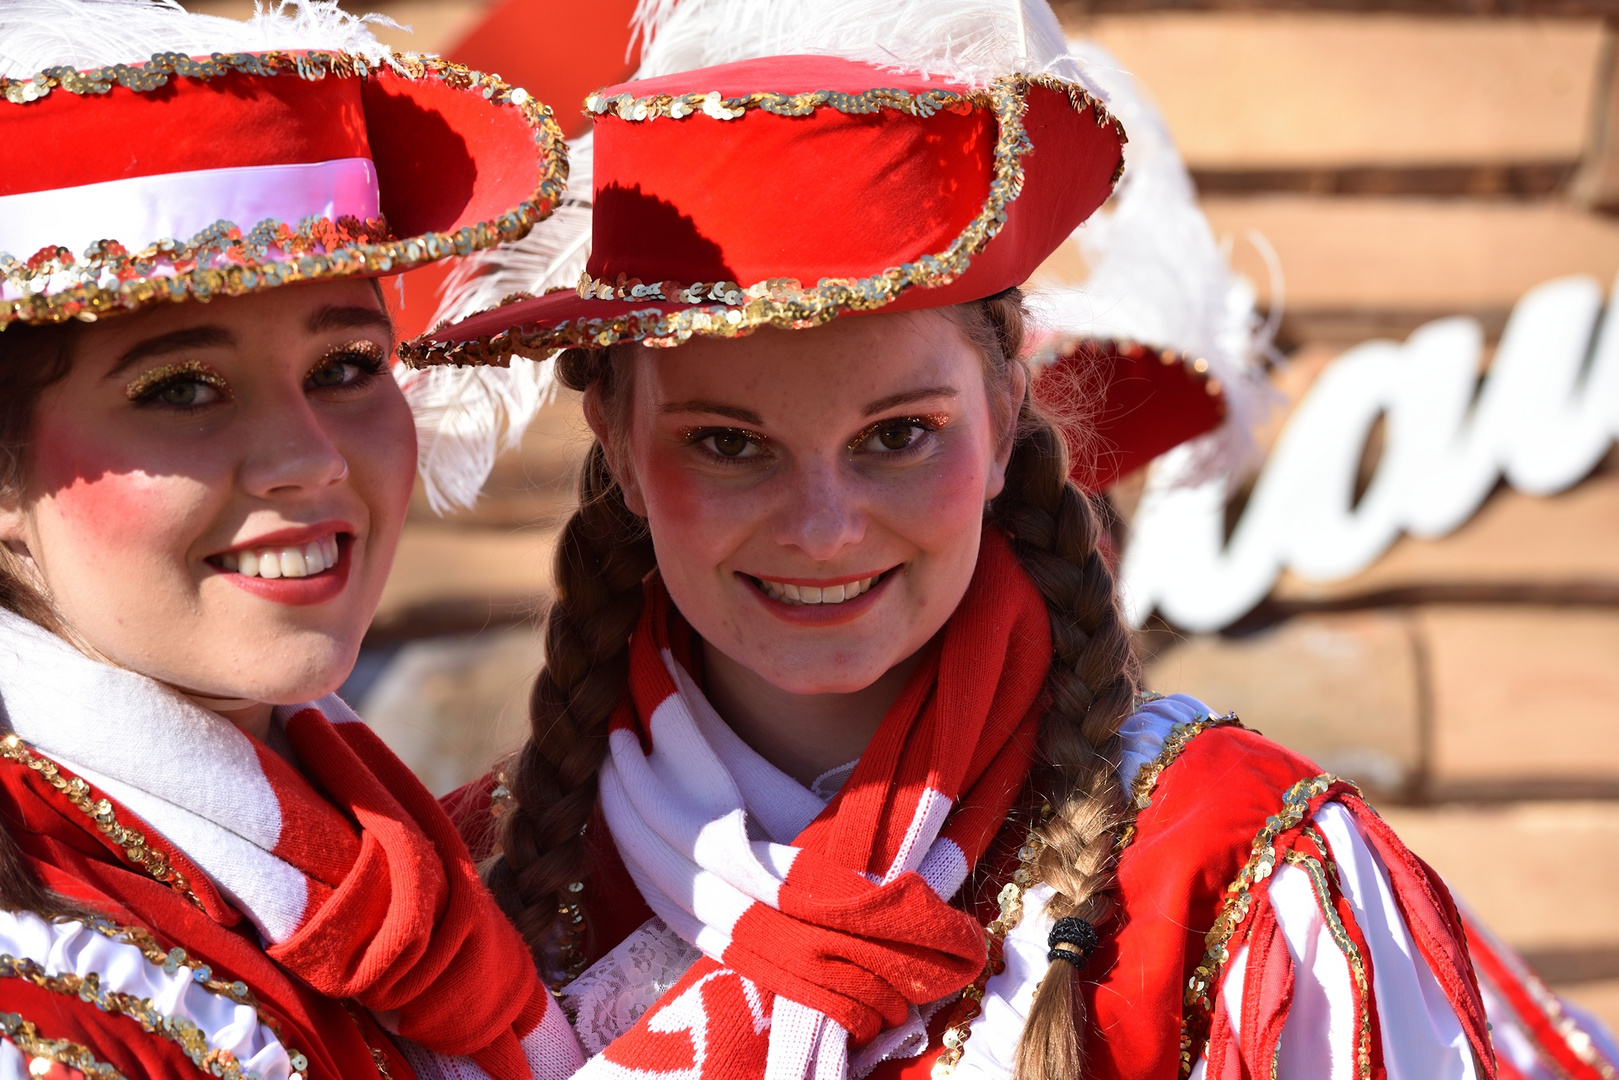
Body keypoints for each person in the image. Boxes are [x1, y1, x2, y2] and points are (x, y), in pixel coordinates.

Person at [404, 4, 1500, 1079]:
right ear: (621, 445)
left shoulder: (1224, 872)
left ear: (1001, 418)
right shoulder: (455, 907)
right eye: (729, 446)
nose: (824, 527)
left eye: (896, 436)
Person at [0, 2, 584, 1077]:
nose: (308, 457)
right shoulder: (48, 996)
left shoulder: (384, 851)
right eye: (180, 388)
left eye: (347, 365)